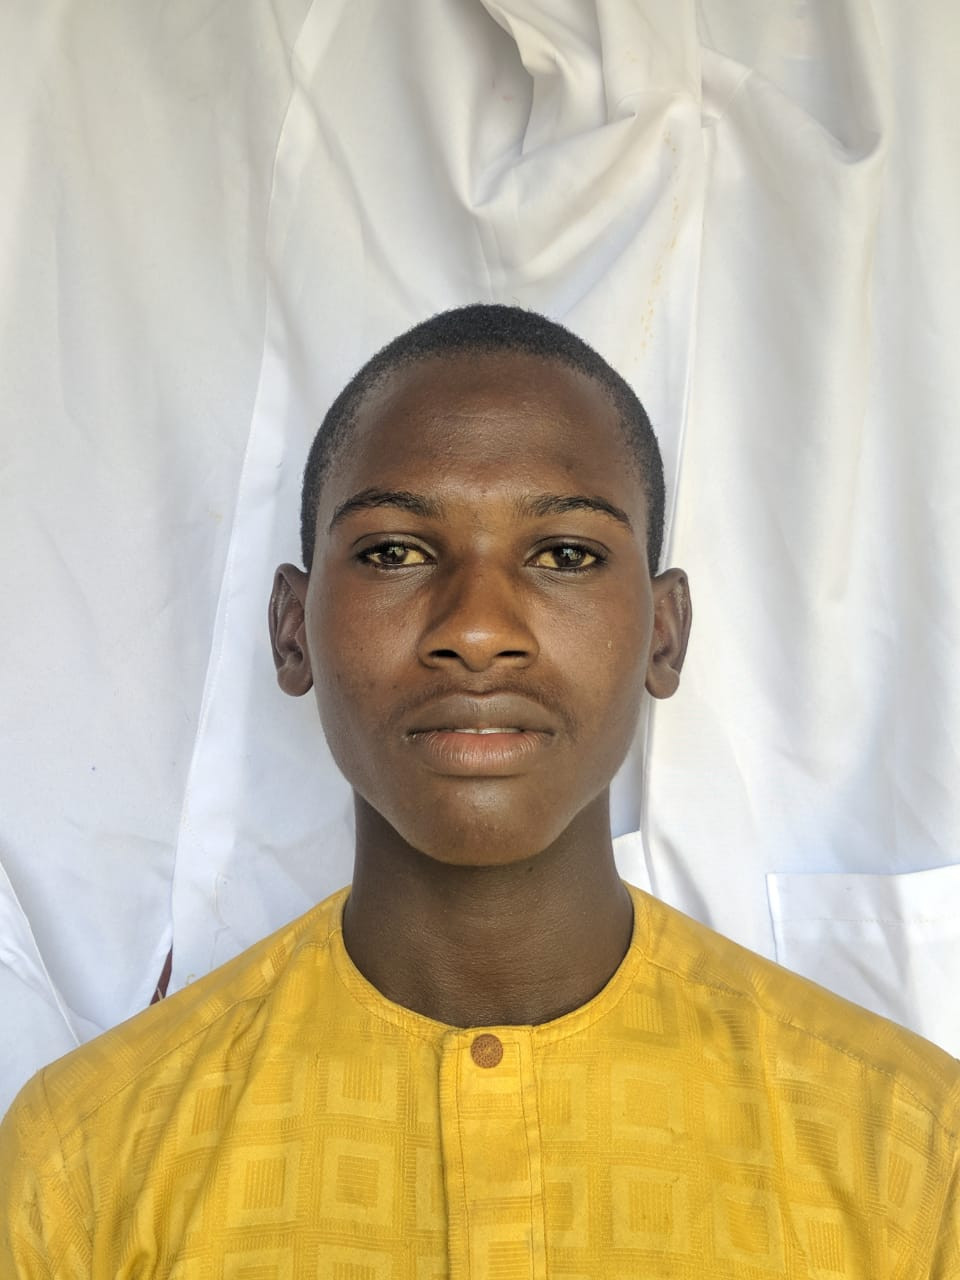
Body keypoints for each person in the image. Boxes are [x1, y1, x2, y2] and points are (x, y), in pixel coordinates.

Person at [0, 305, 957, 1277]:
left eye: (566, 554)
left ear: (664, 635)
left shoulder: (910, 1151)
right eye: (395, 551)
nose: (477, 629)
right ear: (292, 628)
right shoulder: (85, 1162)